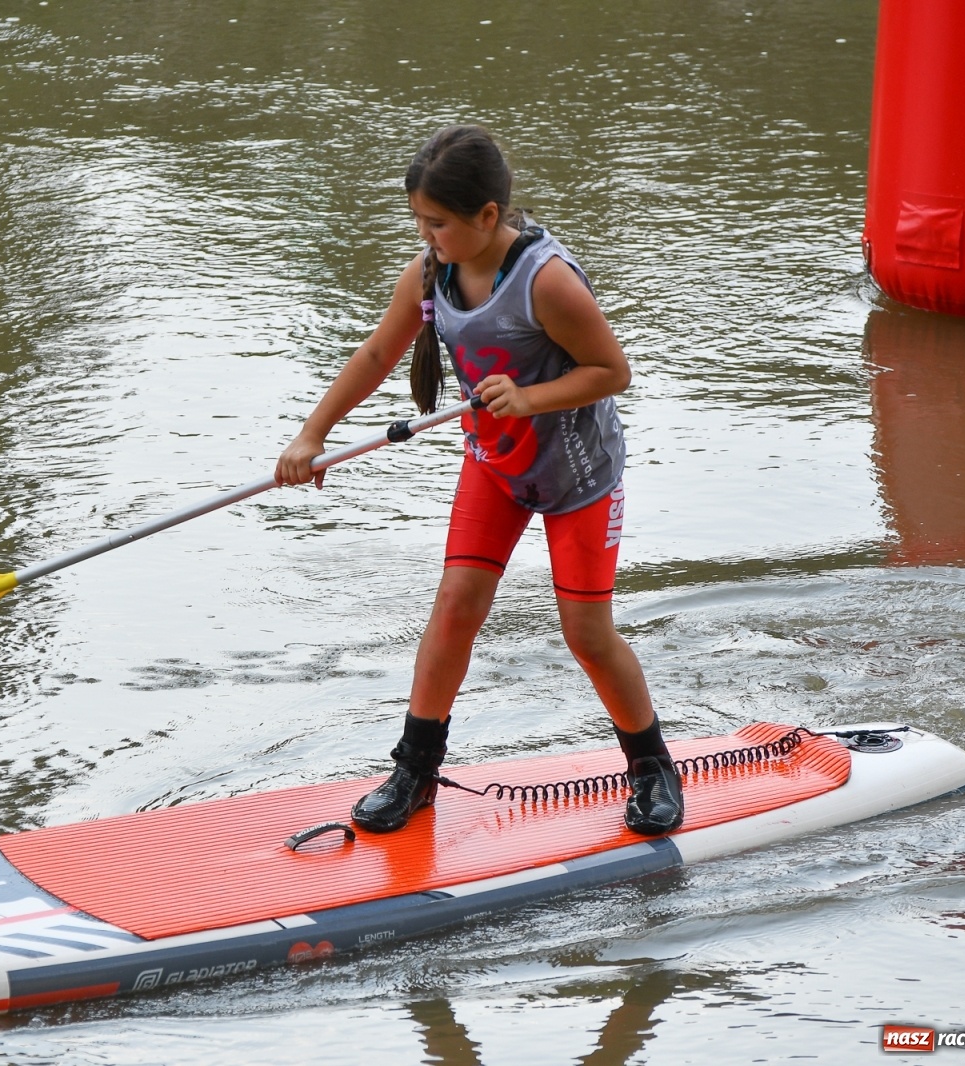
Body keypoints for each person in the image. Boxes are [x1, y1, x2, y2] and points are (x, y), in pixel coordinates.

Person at [274, 124, 682, 836]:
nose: (427, 237)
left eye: (438, 223)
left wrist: (526, 398)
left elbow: (611, 372)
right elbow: (376, 354)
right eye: (419, 222)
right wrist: (314, 434)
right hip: (496, 466)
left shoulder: (545, 280)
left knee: (586, 634)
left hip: (577, 476)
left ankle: (650, 766)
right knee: (457, 603)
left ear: (487, 216)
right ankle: (415, 772)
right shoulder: (431, 273)